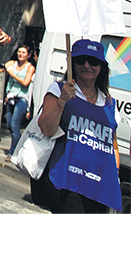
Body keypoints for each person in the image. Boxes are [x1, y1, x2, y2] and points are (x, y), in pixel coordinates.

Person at [37, 39, 127, 213]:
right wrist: (62, 101)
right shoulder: (58, 90)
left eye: (93, 61)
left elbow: (113, 146)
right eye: (80, 60)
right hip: (66, 181)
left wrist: (114, 174)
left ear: (101, 67)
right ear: (72, 64)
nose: (87, 65)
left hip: (98, 186)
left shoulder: (109, 104)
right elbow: (46, 128)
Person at [4, 43, 35, 160]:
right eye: (19, 52)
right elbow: (6, 65)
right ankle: (17, 146)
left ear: (28, 55)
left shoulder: (30, 67)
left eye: (23, 52)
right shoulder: (13, 63)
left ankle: (14, 152)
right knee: (8, 123)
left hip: (22, 99)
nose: (20, 54)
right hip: (11, 97)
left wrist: (12, 74)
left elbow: (25, 82)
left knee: (14, 124)